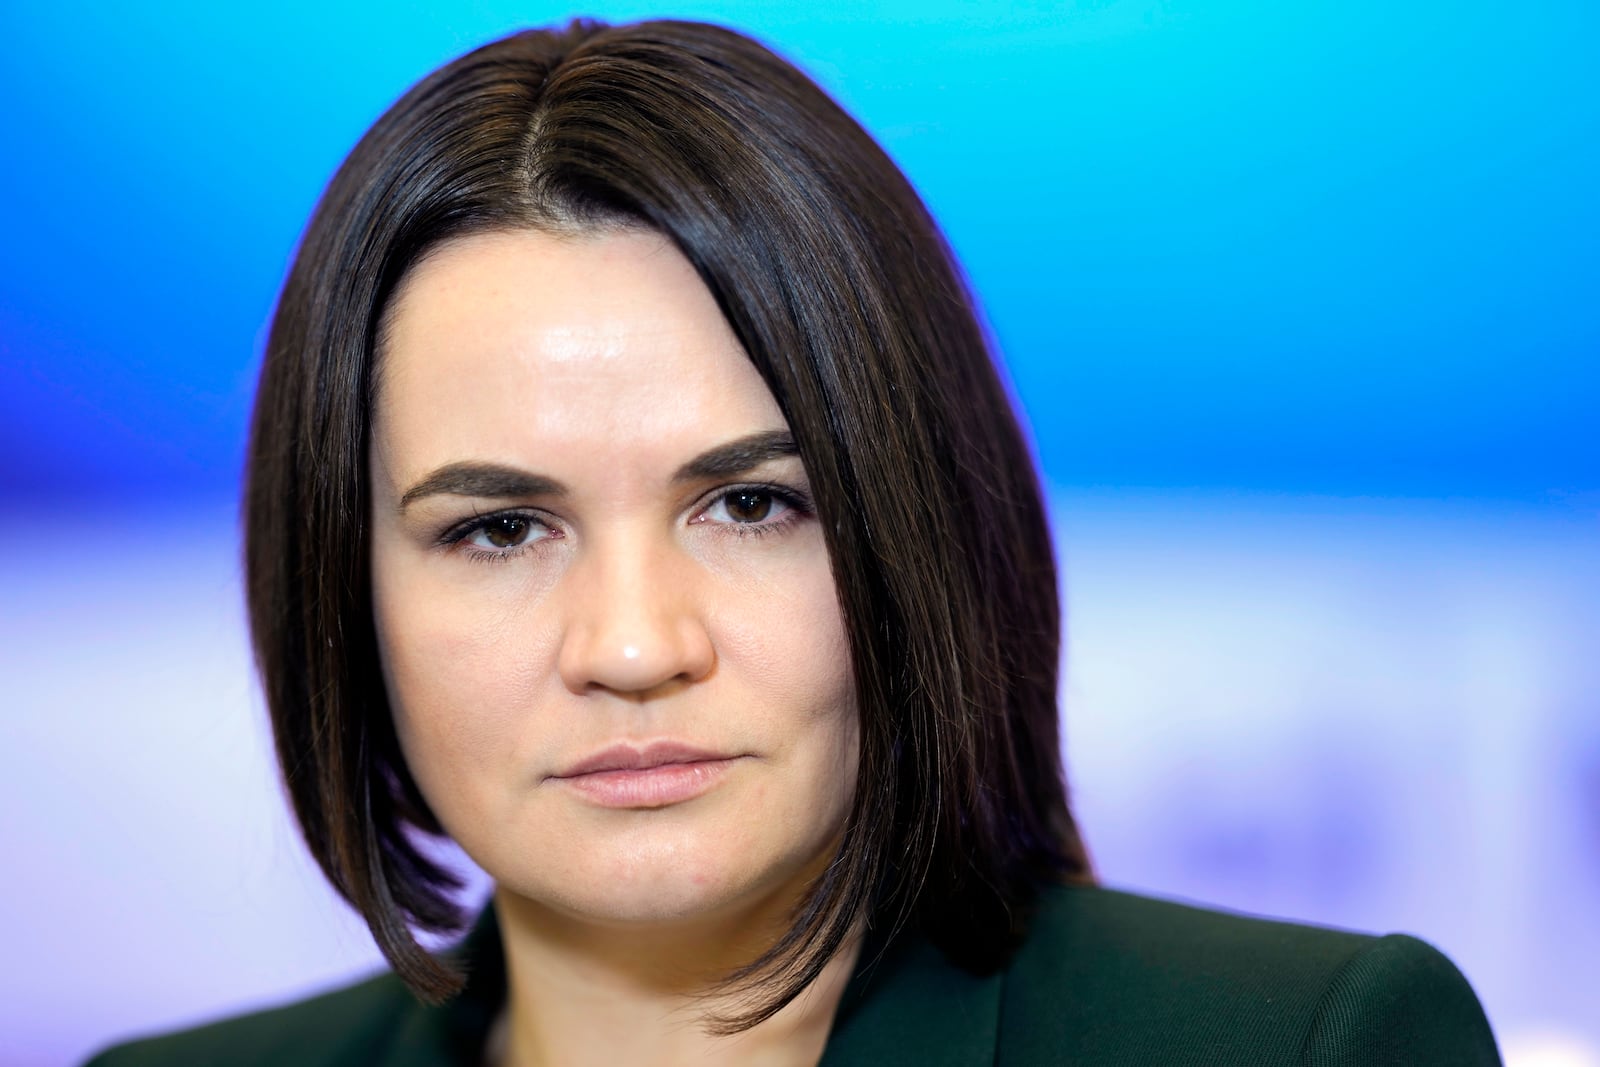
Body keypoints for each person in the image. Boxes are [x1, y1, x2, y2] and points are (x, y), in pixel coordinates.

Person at [87, 18, 1500, 1066]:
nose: (634, 645)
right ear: (341, 594)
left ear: (920, 531)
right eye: (501, 527)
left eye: (753, 504)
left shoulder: (1295, 1048)